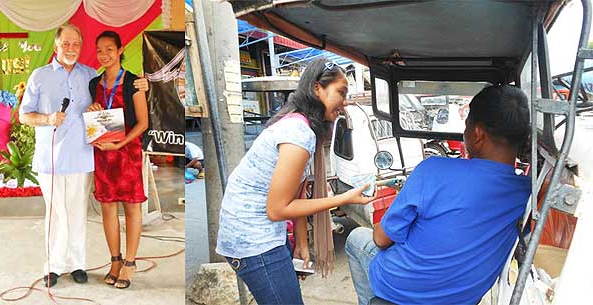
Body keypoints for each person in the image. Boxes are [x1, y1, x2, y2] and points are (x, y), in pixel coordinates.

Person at [345, 84, 532, 305]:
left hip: (400, 288)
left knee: (356, 238)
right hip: (463, 298)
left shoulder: (433, 170)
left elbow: (382, 239)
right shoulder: (526, 192)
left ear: (478, 133)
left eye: (466, 126)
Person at [216, 58, 376, 305]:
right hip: (253, 241)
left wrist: (302, 243)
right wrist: (344, 198)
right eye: (341, 92)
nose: (344, 103)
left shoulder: (300, 125)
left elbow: (296, 193)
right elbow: (279, 208)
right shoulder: (298, 132)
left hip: (261, 234)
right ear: (316, 89)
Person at [19, 24, 147, 288]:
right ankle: (54, 266)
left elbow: (121, 99)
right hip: (50, 159)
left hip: (84, 156)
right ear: (56, 46)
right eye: (65, 44)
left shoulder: (90, 77)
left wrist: (144, 83)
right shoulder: (39, 76)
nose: (70, 49)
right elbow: (23, 115)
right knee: (56, 214)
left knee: (78, 213)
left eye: (75, 44)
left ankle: (78, 264)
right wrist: (47, 118)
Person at [87, 31, 149, 289]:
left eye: (109, 49)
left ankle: (130, 263)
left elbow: (143, 123)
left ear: (120, 50)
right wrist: (91, 110)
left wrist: (119, 144)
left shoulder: (134, 82)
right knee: (108, 209)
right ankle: (115, 260)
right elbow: (93, 120)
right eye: (100, 50)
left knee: (132, 208)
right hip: (103, 154)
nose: (104, 55)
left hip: (127, 153)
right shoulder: (94, 84)